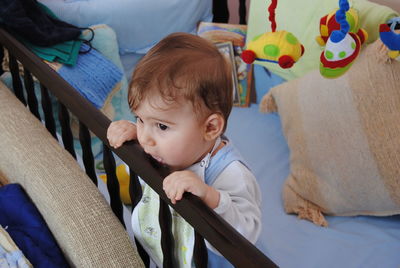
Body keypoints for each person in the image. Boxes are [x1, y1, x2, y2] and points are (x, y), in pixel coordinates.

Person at [107, 32, 261, 268]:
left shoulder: (231, 174)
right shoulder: (164, 147)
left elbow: (248, 234)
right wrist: (133, 140)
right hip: (166, 250)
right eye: (139, 118)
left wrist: (210, 197)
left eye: (161, 126)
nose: (146, 138)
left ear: (210, 127)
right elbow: (144, 154)